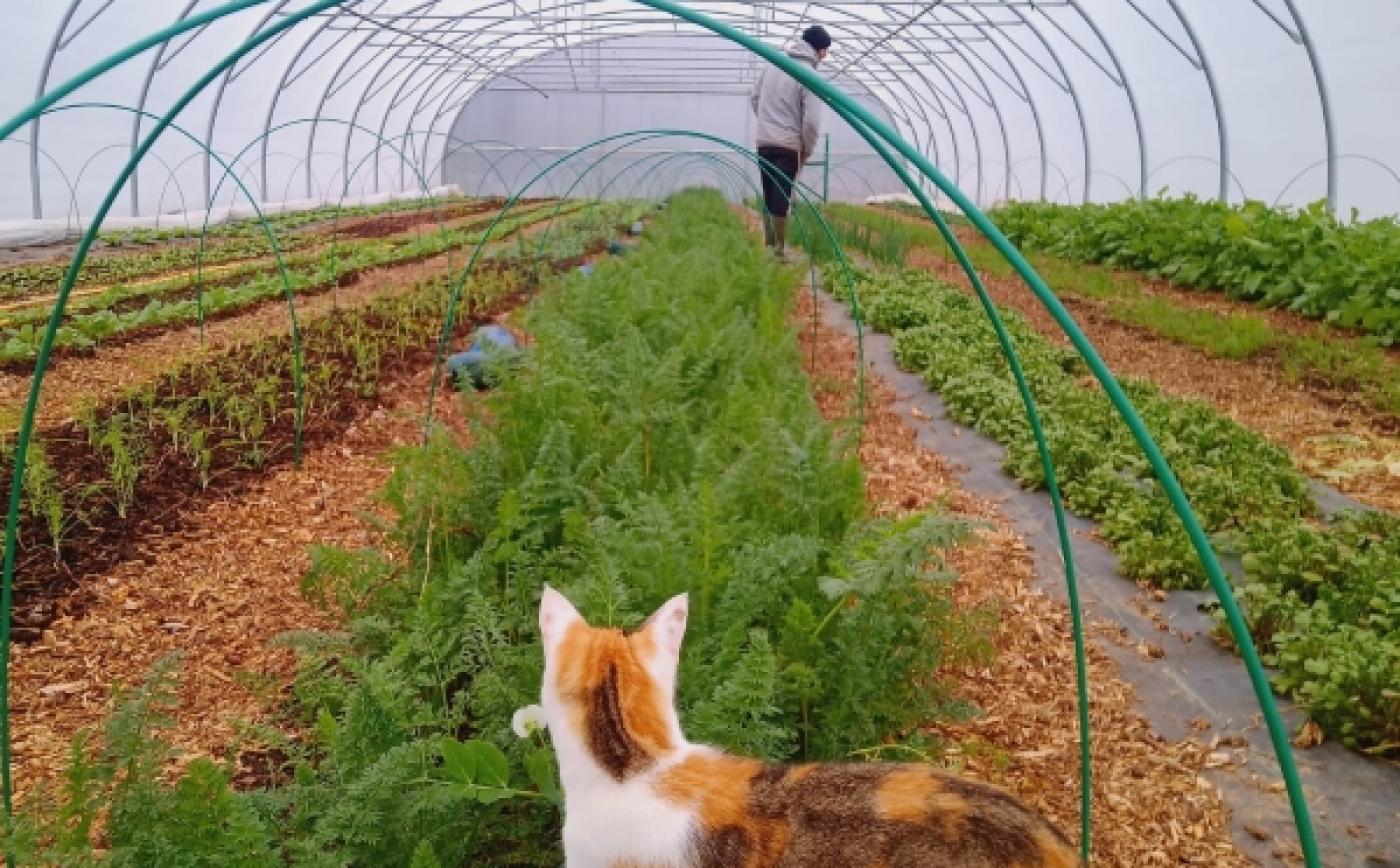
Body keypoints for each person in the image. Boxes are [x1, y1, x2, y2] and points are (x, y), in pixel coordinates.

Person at [750, 25, 831, 260]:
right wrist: (806, 148)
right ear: (819, 50)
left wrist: (768, 123)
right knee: (782, 197)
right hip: (788, 144)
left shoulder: (772, 65)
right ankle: (778, 251)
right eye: (824, 52)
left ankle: (769, 247)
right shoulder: (809, 75)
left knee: (769, 193)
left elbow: (755, 98)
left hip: (765, 141)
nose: (824, 57)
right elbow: (812, 122)